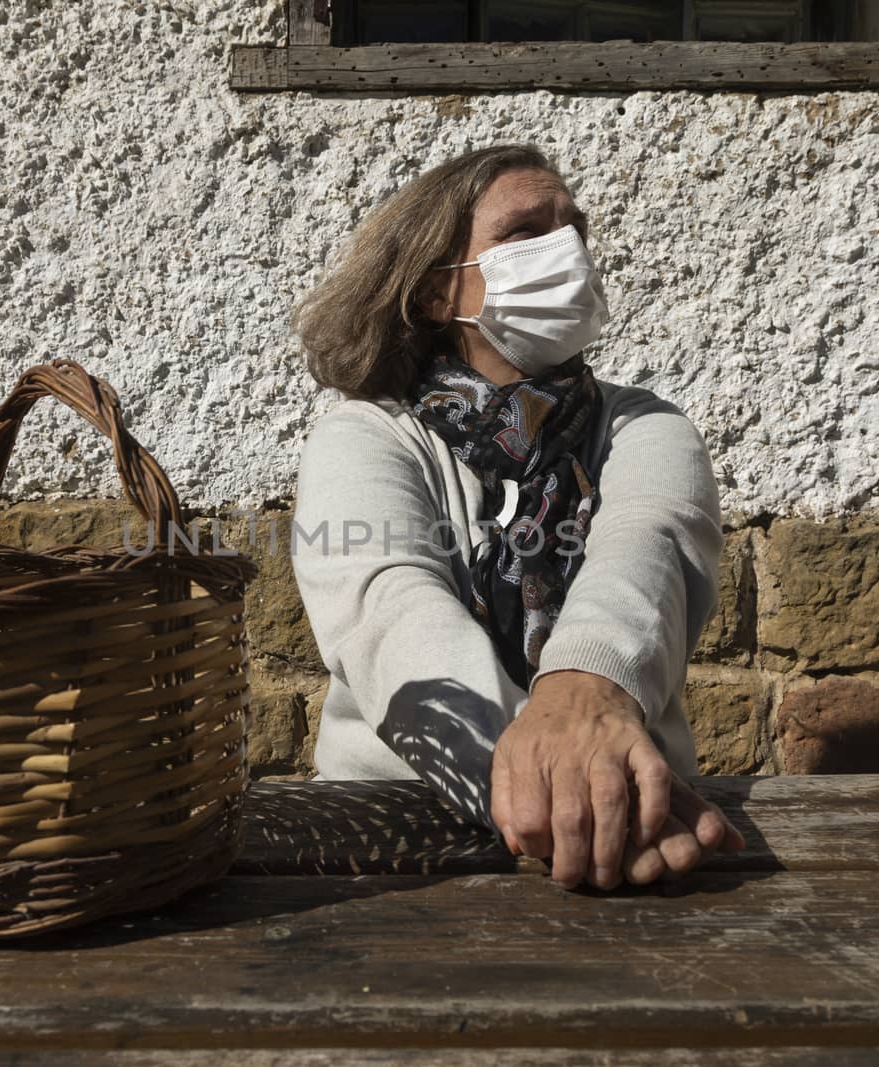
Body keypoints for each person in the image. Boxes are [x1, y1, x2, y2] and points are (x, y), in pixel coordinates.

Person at [288, 143, 746, 892]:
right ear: (439, 291)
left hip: (618, 830)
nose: (565, 250)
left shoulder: (645, 427)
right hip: (399, 834)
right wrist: (571, 792)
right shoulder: (366, 435)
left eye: (575, 230)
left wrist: (585, 690)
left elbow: (644, 554)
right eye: (526, 233)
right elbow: (390, 609)